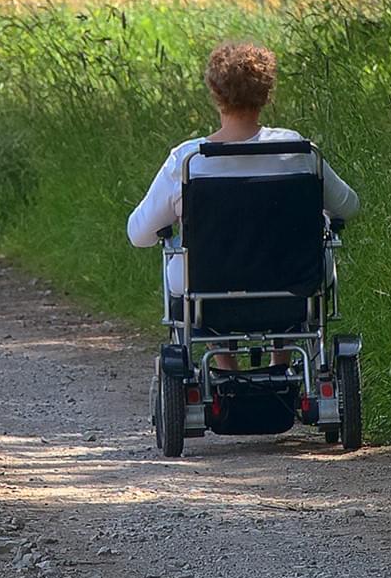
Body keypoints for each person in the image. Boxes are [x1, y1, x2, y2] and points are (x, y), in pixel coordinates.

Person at [126, 42, 360, 368]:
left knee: (190, 264)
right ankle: (284, 359)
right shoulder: (301, 152)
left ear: (215, 92)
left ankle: (224, 367)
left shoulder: (188, 160)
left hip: (207, 293)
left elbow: (139, 234)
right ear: (266, 93)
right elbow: (349, 206)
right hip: (293, 291)